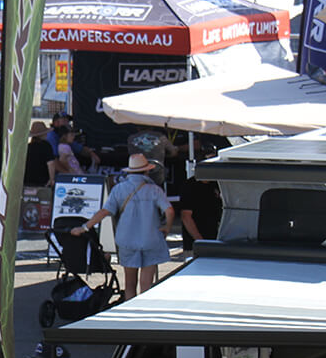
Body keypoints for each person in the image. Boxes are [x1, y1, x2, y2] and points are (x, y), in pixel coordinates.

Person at [69, 153, 173, 300]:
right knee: (146, 283)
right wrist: (167, 227)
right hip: (151, 239)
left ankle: (129, 311)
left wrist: (85, 227)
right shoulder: (155, 190)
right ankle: (144, 310)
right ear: (147, 171)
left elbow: (105, 211)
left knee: (130, 284)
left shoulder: (119, 189)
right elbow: (169, 210)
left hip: (127, 240)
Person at [177, 147, 223, 252]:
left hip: (215, 240)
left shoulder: (216, 184)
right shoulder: (190, 186)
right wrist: (200, 241)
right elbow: (186, 216)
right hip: (196, 243)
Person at [23, 122, 55, 188]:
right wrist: (52, 179)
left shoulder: (27, 147)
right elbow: (51, 164)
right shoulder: (46, 146)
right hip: (42, 182)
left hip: (27, 181)